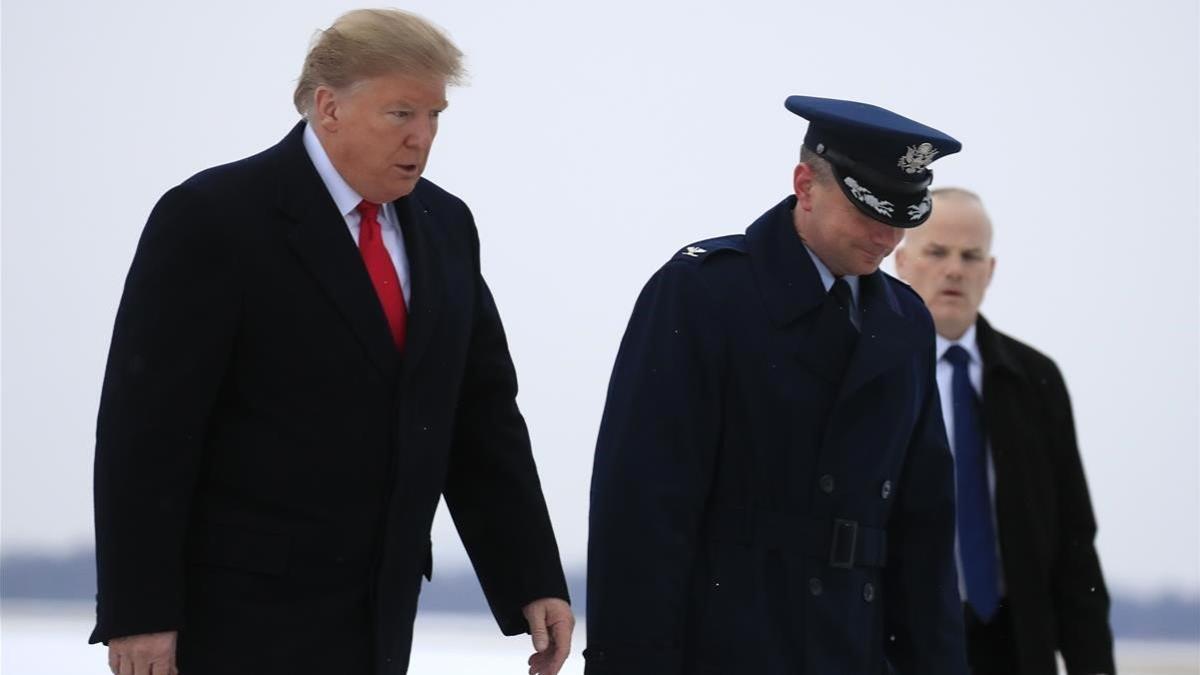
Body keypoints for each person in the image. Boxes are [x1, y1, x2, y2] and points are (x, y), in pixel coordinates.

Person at [89, 9, 573, 675]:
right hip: (233, 621)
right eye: (401, 113)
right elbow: (145, 435)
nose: (423, 137)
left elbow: (479, 417)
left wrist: (529, 575)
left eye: (435, 116)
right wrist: (139, 611)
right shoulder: (214, 219)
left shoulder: (446, 225)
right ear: (329, 108)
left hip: (380, 618)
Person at [585, 95, 968, 674]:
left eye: (901, 218)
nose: (887, 238)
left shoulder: (905, 321)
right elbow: (642, 505)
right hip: (726, 645)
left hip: (855, 648)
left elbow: (925, 525)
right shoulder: (704, 293)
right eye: (870, 212)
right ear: (805, 185)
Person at [894, 188, 1114, 675]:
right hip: (900, 640)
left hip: (1013, 642)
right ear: (902, 261)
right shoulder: (873, 372)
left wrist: (1092, 663)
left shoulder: (1034, 379)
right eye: (937, 252)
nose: (954, 269)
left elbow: (1074, 540)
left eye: (970, 256)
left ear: (989, 271)